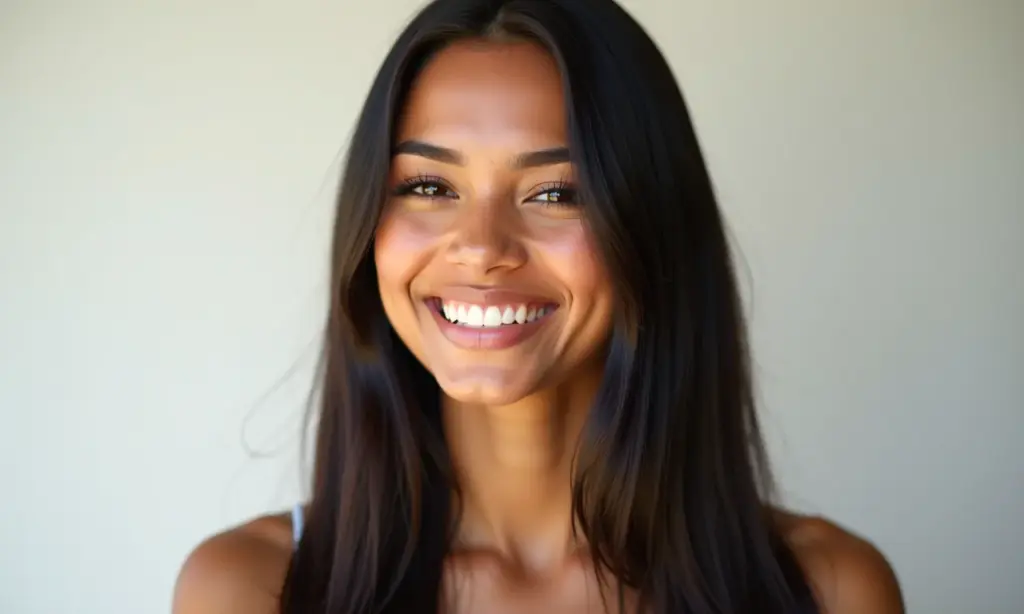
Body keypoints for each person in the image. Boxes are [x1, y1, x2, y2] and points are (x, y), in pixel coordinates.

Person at [173, 0, 904, 612]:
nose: (482, 246)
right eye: (430, 186)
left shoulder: (830, 591)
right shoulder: (249, 590)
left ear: (650, 228)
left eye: (556, 193)